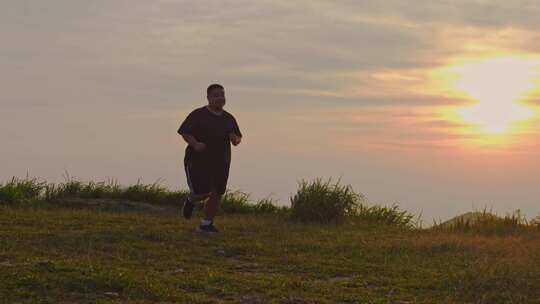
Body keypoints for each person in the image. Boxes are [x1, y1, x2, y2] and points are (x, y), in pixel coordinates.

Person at [177, 83, 242, 233]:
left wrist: (235, 139)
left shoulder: (229, 118)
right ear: (208, 98)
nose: (220, 98)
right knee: (202, 192)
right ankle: (190, 200)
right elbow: (184, 132)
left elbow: (237, 136)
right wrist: (195, 143)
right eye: (216, 95)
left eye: (222, 95)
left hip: (221, 161)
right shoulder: (198, 114)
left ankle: (206, 224)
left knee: (217, 192)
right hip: (198, 160)